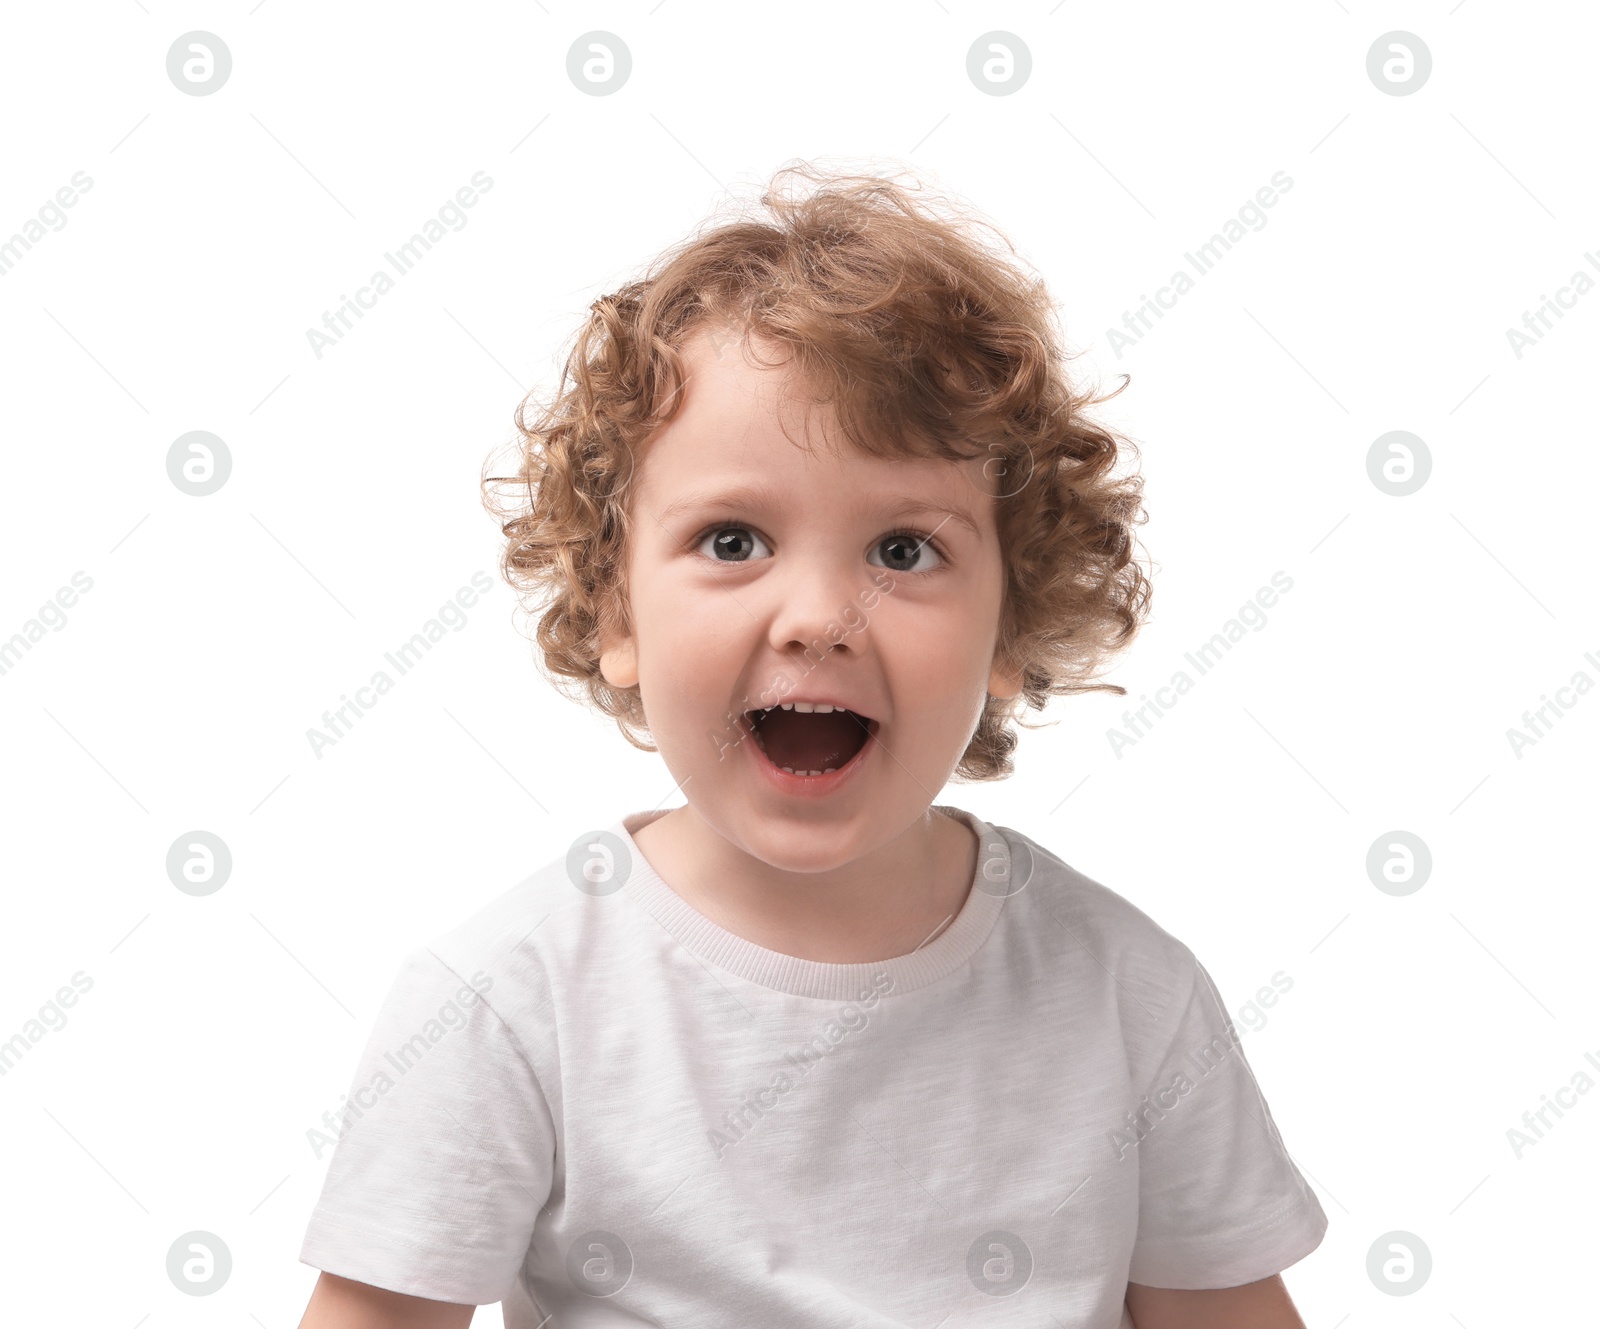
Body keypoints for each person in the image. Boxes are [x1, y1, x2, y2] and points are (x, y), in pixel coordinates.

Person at [296, 163, 1326, 1329]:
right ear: (618, 612)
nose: (818, 618)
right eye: (732, 539)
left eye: (902, 552)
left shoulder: (1127, 997)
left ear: (1011, 618)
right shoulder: (505, 1000)